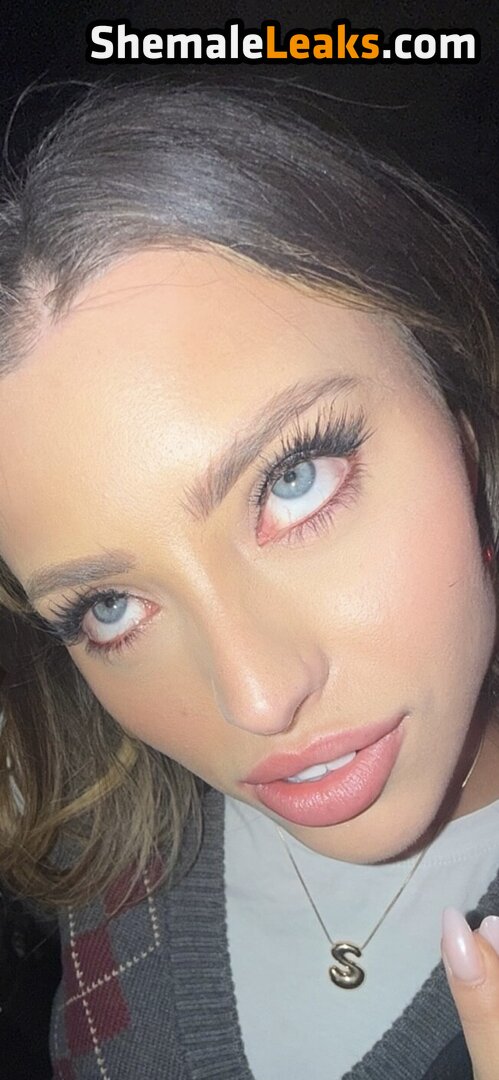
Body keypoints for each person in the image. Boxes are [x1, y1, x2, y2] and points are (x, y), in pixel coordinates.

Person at [0, 77, 498, 1080]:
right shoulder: (99, 840)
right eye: (109, 607)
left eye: (294, 480)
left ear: (465, 425)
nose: (257, 699)